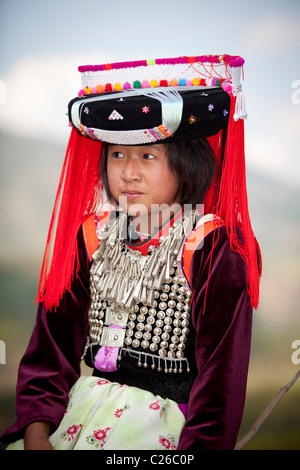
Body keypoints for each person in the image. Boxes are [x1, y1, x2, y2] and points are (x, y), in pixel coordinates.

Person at [1, 55, 261, 450]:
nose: (128, 172)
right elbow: (50, 350)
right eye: (117, 154)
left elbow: (220, 382)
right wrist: (37, 428)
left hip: (166, 430)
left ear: (186, 165)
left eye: (148, 156)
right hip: (78, 414)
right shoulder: (91, 236)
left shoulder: (212, 246)